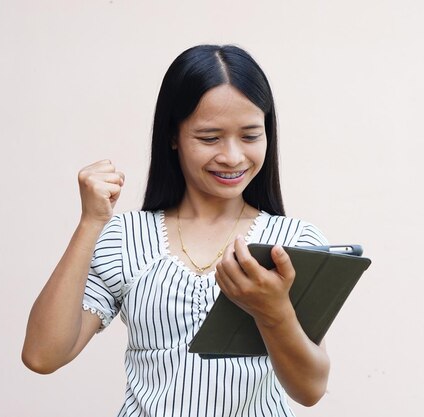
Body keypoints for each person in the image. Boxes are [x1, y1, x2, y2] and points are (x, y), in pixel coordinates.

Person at [22, 44, 331, 416]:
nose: (233, 156)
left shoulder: (296, 244)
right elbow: (42, 355)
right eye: (209, 137)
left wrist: (274, 311)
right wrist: (91, 222)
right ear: (173, 136)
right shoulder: (126, 237)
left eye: (250, 136)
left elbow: (311, 389)